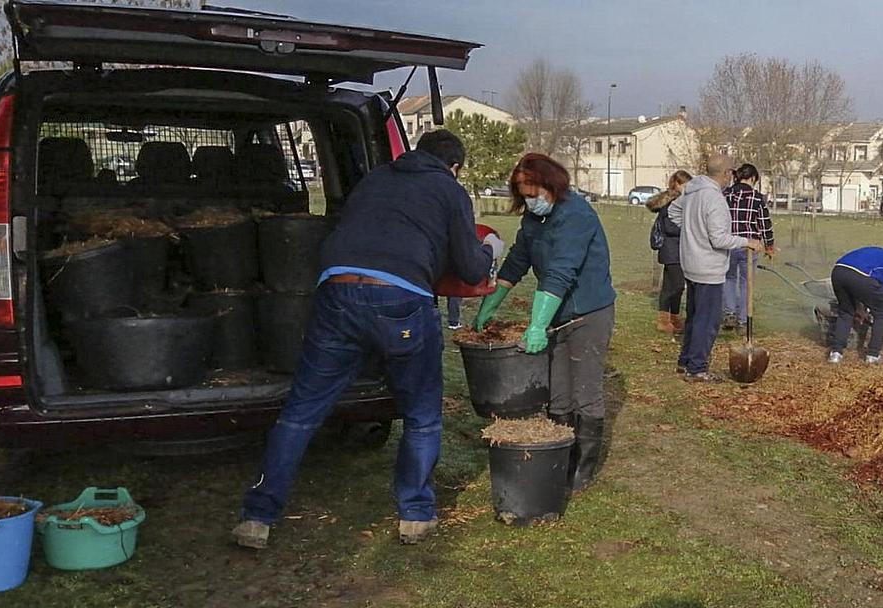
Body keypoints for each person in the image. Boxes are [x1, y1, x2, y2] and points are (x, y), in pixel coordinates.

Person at [233, 129, 499, 549]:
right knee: (422, 413)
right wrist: (489, 248)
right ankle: (415, 514)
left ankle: (257, 517)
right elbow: (469, 268)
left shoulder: (375, 178)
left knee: (301, 412)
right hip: (399, 298)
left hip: (335, 288)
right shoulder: (449, 189)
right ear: (455, 166)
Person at [474, 153, 615, 492]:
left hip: (588, 314)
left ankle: (583, 467)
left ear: (552, 186)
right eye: (524, 195)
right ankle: (561, 457)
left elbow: (560, 272)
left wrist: (536, 324)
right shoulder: (534, 221)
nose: (530, 201)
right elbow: (516, 262)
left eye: (534, 194)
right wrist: (489, 304)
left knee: (586, 392)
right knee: (558, 394)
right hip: (556, 315)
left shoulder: (576, 216)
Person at [671, 153, 764, 382]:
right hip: (708, 268)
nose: (732, 176)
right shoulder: (715, 199)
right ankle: (697, 369)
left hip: (691, 263)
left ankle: (686, 361)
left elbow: (673, 212)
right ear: (726, 174)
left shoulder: (692, 191)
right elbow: (720, 240)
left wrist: (693, 232)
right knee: (708, 320)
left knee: (694, 315)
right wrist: (747, 241)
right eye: (731, 172)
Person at [826, 247, 883, 364]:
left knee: (846, 312)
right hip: (861, 276)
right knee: (882, 314)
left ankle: (836, 354)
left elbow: (855, 283)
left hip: (838, 271)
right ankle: (873, 355)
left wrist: (860, 309)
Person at [722, 163, 774, 330]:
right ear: (752, 178)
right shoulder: (757, 198)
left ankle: (729, 313)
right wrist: (769, 245)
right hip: (750, 246)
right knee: (746, 283)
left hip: (728, 243)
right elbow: (765, 224)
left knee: (729, 278)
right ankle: (743, 320)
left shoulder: (725, 194)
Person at [648, 170, 692, 334]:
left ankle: (673, 318)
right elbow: (670, 227)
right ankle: (665, 319)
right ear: (677, 184)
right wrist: (688, 229)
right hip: (671, 249)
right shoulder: (671, 204)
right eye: (685, 184)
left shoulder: (680, 201)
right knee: (676, 285)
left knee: (673, 286)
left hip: (677, 249)